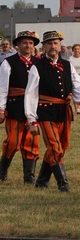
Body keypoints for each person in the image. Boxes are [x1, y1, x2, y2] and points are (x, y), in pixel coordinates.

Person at [25, 31, 80, 192]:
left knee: (60, 148)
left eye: (55, 43)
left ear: (60, 45)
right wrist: (31, 119)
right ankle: (63, 184)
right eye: (49, 43)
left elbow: (76, 87)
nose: (53, 46)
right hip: (45, 112)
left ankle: (42, 180)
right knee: (54, 146)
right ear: (43, 47)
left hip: (64, 111)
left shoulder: (68, 65)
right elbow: (30, 94)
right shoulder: (37, 66)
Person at [0, 31, 41, 184]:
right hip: (15, 106)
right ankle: (4, 165)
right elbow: (1, 86)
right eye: (24, 42)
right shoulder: (9, 62)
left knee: (32, 142)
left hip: (34, 107)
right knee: (13, 141)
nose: (28, 45)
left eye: (31, 43)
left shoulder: (39, 62)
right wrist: (0, 108)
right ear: (18, 45)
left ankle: (29, 176)